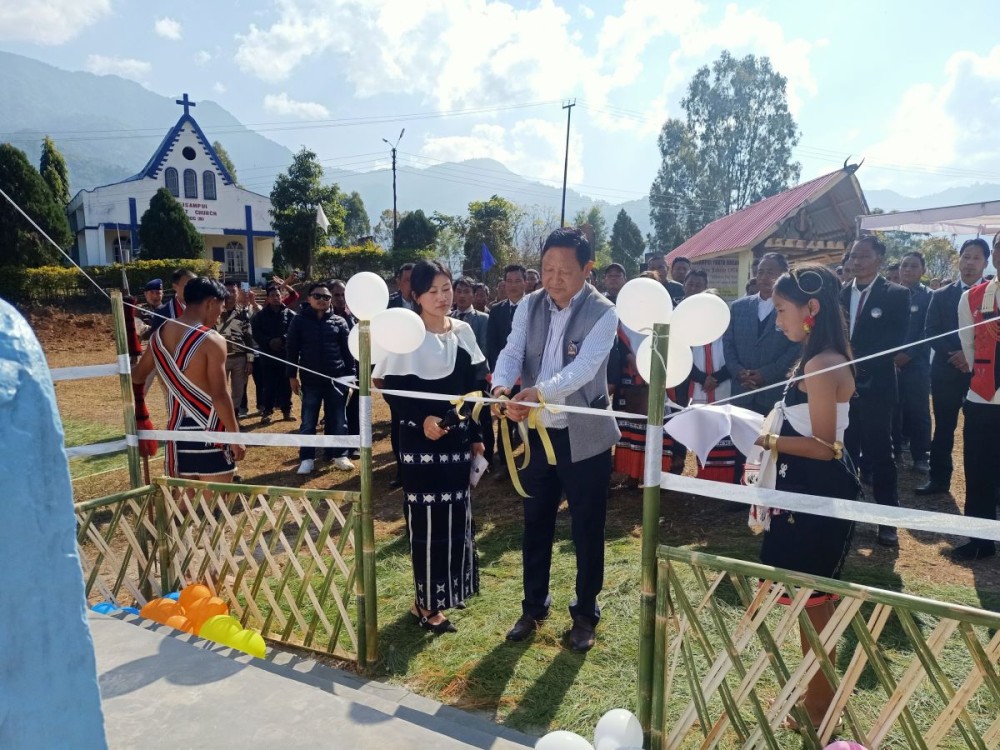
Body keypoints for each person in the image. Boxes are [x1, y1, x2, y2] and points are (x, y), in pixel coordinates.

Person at [492, 228, 619, 652]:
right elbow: (512, 352)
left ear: (588, 269)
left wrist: (540, 393)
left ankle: (585, 613)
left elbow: (584, 369)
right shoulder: (528, 305)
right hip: (537, 433)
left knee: (587, 527)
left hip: (584, 437)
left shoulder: (604, 312)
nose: (554, 278)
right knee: (535, 521)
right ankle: (533, 606)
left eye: (565, 270)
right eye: (547, 268)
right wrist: (500, 389)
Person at [751, 264, 860, 730]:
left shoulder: (821, 363)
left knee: (814, 606)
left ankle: (820, 713)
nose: (778, 321)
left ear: (811, 308)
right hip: (802, 489)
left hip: (817, 492)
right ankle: (816, 700)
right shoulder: (815, 358)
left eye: (781, 310)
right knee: (810, 603)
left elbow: (823, 445)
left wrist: (766, 441)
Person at [373, 260, 486, 633]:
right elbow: (391, 388)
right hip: (419, 446)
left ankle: (447, 592)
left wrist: (475, 435)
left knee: (457, 518)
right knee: (426, 523)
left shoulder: (465, 331)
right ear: (416, 295)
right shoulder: (408, 335)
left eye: (447, 288)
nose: (442, 297)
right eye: (432, 290)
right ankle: (426, 605)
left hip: (456, 441)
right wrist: (423, 420)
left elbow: (477, 388)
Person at [132, 277, 246, 480]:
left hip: (177, 430)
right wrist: (235, 436)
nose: (220, 314)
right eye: (220, 306)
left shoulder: (158, 336)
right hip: (210, 429)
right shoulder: (212, 340)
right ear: (210, 302)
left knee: (184, 505)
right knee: (215, 506)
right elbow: (220, 394)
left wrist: (141, 412)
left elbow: (138, 376)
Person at [840, 236, 910, 547]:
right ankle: (846, 512)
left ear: (878, 259)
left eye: (863, 256)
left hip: (877, 388)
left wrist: (858, 365)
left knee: (882, 454)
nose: (856, 262)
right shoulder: (839, 294)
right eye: (853, 256)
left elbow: (894, 341)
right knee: (845, 451)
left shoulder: (896, 294)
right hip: (843, 388)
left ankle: (887, 520)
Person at [916, 239, 988, 496]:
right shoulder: (940, 295)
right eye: (966, 257)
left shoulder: (992, 295)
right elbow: (931, 331)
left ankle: (984, 487)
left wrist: (970, 355)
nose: (970, 263)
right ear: (959, 259)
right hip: (946, 371)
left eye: (976, 258)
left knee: (980, 431)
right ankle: (938, 480)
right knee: (944, 428)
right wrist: (955, 354)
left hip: (981, 373)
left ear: (985, 263)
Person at [951, 233, 1000, 561]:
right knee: (979, 470)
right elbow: (969, 348)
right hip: (983, 398)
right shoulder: (972, 297)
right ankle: (980, 538)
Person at [286, 282, 355, 475]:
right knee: (308, 421)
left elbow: (348, 353)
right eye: (318, 296)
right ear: (308, 299)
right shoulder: (298, 321)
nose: (322, 300)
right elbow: (291, 350)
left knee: (340, 420)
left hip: (337, 380)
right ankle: (307, 458)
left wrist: (350, 380)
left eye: (326, 297)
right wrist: (292, 376)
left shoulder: (339, 322)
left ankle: (341, 454)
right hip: (310, 381)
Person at [723, 253, 799, 416]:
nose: (764, 277)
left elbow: (796, 348)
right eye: (760, 272)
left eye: (770, 272)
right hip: (741, 393)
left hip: (774, 394)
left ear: (784, 274)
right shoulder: (739, 307)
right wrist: (739, 372)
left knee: (770, 440)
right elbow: (728, 345)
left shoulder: (794, 307)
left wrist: (765, 374)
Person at [891, 252, 932, 472]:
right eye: (904, 265)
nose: (907, 270)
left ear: (923, 271)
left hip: (917, 364)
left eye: (913, 266)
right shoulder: (890, 294)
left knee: (919, 411)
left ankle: (921, 457)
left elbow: (929, 332)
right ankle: (894, 452)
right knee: (892, 410)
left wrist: (908, 354)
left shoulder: (930, 297)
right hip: (891, 364)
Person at [486, 264, 528, 465]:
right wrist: (499, 375)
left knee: (528, 421)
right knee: (505, 419)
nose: (512, 285)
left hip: (529, 378)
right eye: (509, 281)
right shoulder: (496, 311)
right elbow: (492, 345)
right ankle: (504, 463)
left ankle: (530, 461)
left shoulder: (535, 308)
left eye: (517, 280)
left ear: (525, 282)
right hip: (504, 380)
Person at [451, 276, 493, 465]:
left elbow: (484, 349)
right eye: (458, 291)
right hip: (453, 380)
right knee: (459, 415)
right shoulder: (447, 319)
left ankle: (488, 457)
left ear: (474, 294)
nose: (462, 296)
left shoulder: (483, 319)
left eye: (466, 291)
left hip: (477, 377)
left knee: (482, 417)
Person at [251, 284, 296, 423]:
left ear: (281, 296)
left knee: (286, 386)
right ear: (268, 298)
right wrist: (269, 341)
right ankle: (267, 411)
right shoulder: (260, 316)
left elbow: (294, 332)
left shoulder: (290, 314)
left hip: (285, 356)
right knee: (268, 385)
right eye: (273, 296)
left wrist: (282, 339)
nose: (276, 298)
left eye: (278, 295)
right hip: (267, 357)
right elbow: (256, 333)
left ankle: (286, 411)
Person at [216, 280, 255, 419]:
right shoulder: (215, 310)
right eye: (227, 291)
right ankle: (220, 418)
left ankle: (234, 417)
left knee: (238, 390)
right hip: (219, 358)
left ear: (237, 292)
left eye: (233, 291)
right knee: (219, 390)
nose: (230, 295)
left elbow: (248, 337)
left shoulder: (243, 312)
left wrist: (250, 361)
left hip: (240, 357)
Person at [331, 279, 360, 457]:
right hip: (335, 370)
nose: (341, 299)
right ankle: (334, 448)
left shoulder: (354, 315)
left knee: (355, 408)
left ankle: (355, 445)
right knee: (336, 411)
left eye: (343, 295)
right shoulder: (326, 316)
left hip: (354, 369)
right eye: (336, 295)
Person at [150, 268, 196, 333]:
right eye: (187, 285)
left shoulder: (203, 308)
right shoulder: (162, 312)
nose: (193, 289)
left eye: (195, 285)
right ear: (175, 287)